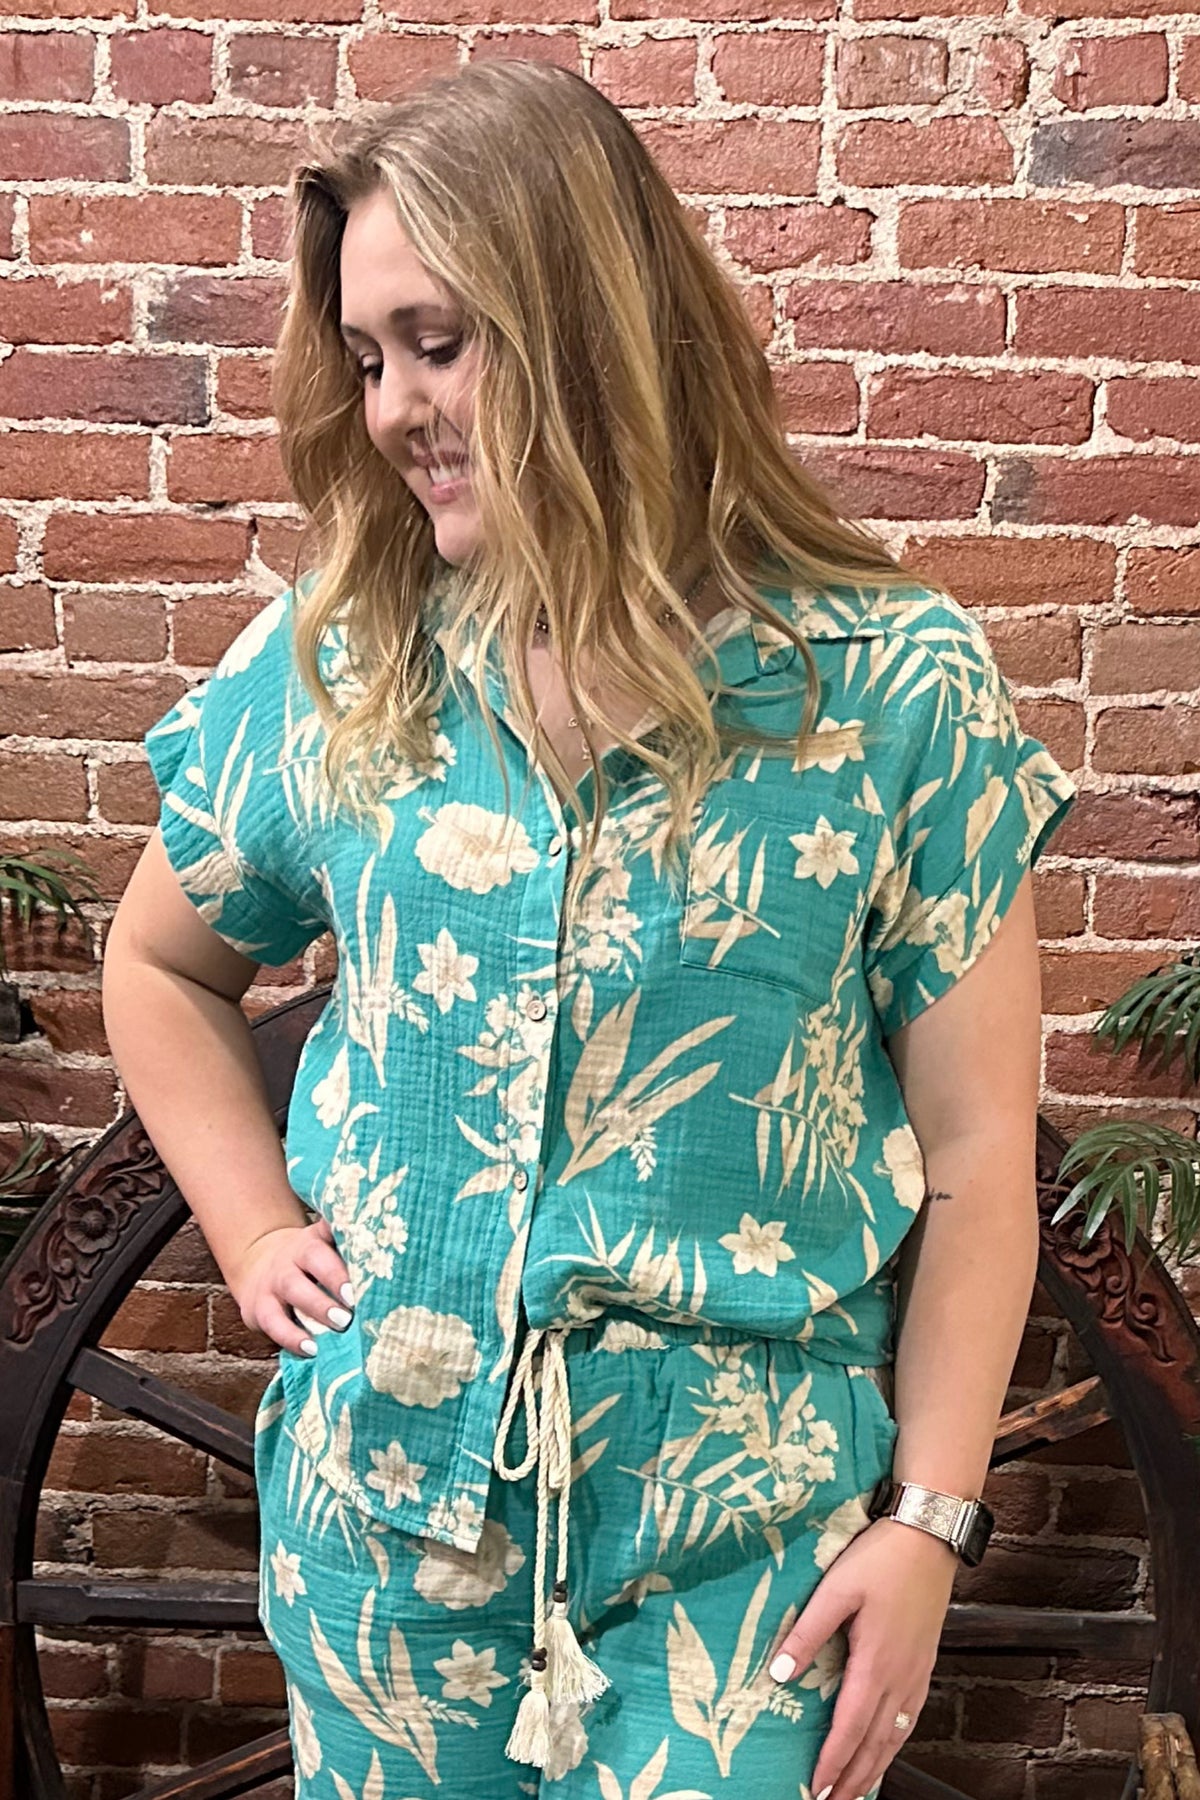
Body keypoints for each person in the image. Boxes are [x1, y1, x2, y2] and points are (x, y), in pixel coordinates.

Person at [102, 58, 1078, 1800]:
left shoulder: (891, 689)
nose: (396, 407)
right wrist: (251, 1228)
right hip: (383, 1526)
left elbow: (977, 1158)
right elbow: (163, 965)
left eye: (439, 342)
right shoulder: (341, 661)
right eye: (368, 358)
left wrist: (930, 1521)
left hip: (746, 1549)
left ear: (592, 322)